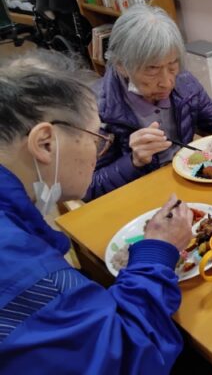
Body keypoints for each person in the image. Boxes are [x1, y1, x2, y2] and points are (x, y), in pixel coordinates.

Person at [0, 66, 193, 373]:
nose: (97, 151)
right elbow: (129, 357)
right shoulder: (24, 268)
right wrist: (157, 252)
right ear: (45, 143)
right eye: (95, 138)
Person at [85, 5, 212, 200]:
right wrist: (133, 161)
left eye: (172, 65)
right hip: (139, 198)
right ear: (121, 65)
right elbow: (88, 188)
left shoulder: (184, 83)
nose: (167, 82)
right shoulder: (96, 110)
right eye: (152, 69)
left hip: (188, 181)